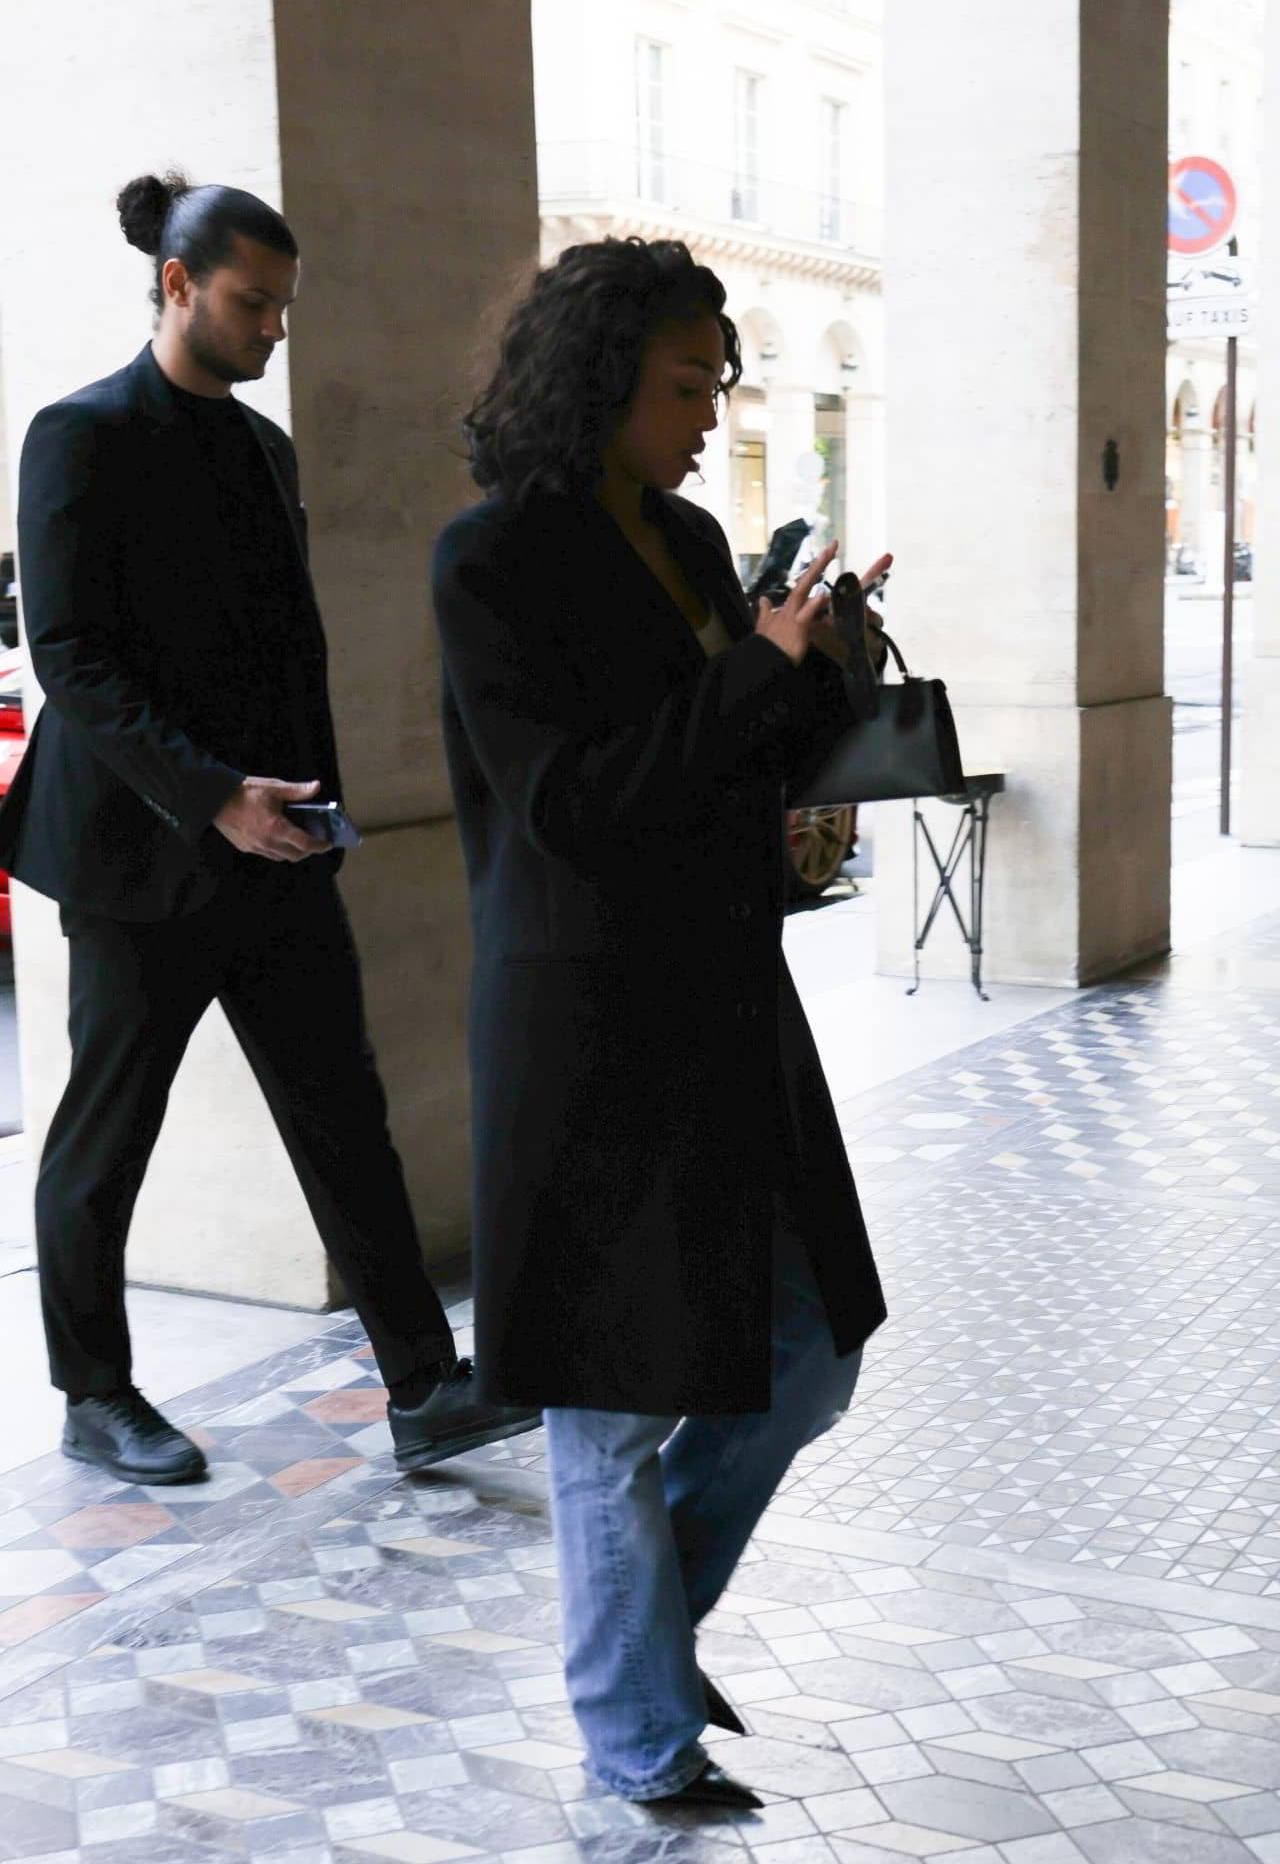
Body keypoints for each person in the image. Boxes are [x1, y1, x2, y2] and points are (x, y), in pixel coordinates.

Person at [432, 236, 888, 1809]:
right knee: (611, 1402)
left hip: (718, 998)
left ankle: (644, 1643)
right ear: (600, 376)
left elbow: (733, 761)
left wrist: (820, 661)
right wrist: (755, 672)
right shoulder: (490, 561)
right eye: (687, 382)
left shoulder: (692, 539)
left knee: (814, 1346)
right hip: (586, 1024)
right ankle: (636, 1734)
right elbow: (573, 804)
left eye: (719, 383)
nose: (709, 412)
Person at [0, 172, 539, 1488]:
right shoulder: (76, 435)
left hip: (281, 846)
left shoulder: (263, 450)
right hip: (141, 859)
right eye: (254, 303)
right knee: (106, 1134)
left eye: (285, 307)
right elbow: (72, 662)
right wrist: (212, 798)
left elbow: (288, 660)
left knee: (345, 1114)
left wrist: (314, 807)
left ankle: (423, 1385)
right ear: (179, 286)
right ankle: (95, 1393)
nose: (273, 330)